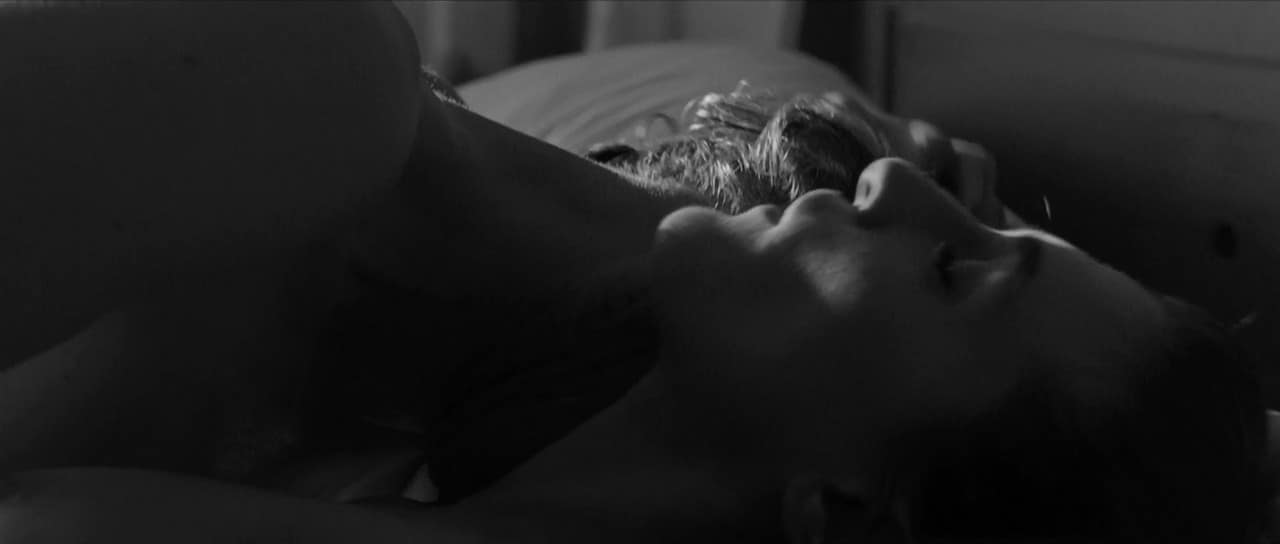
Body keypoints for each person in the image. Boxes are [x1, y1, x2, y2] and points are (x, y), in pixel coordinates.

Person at [0, 3, 1270, 543]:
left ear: (845, 510)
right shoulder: (318, 96)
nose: (896, 183)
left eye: (951, 268)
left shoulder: (383, 459)